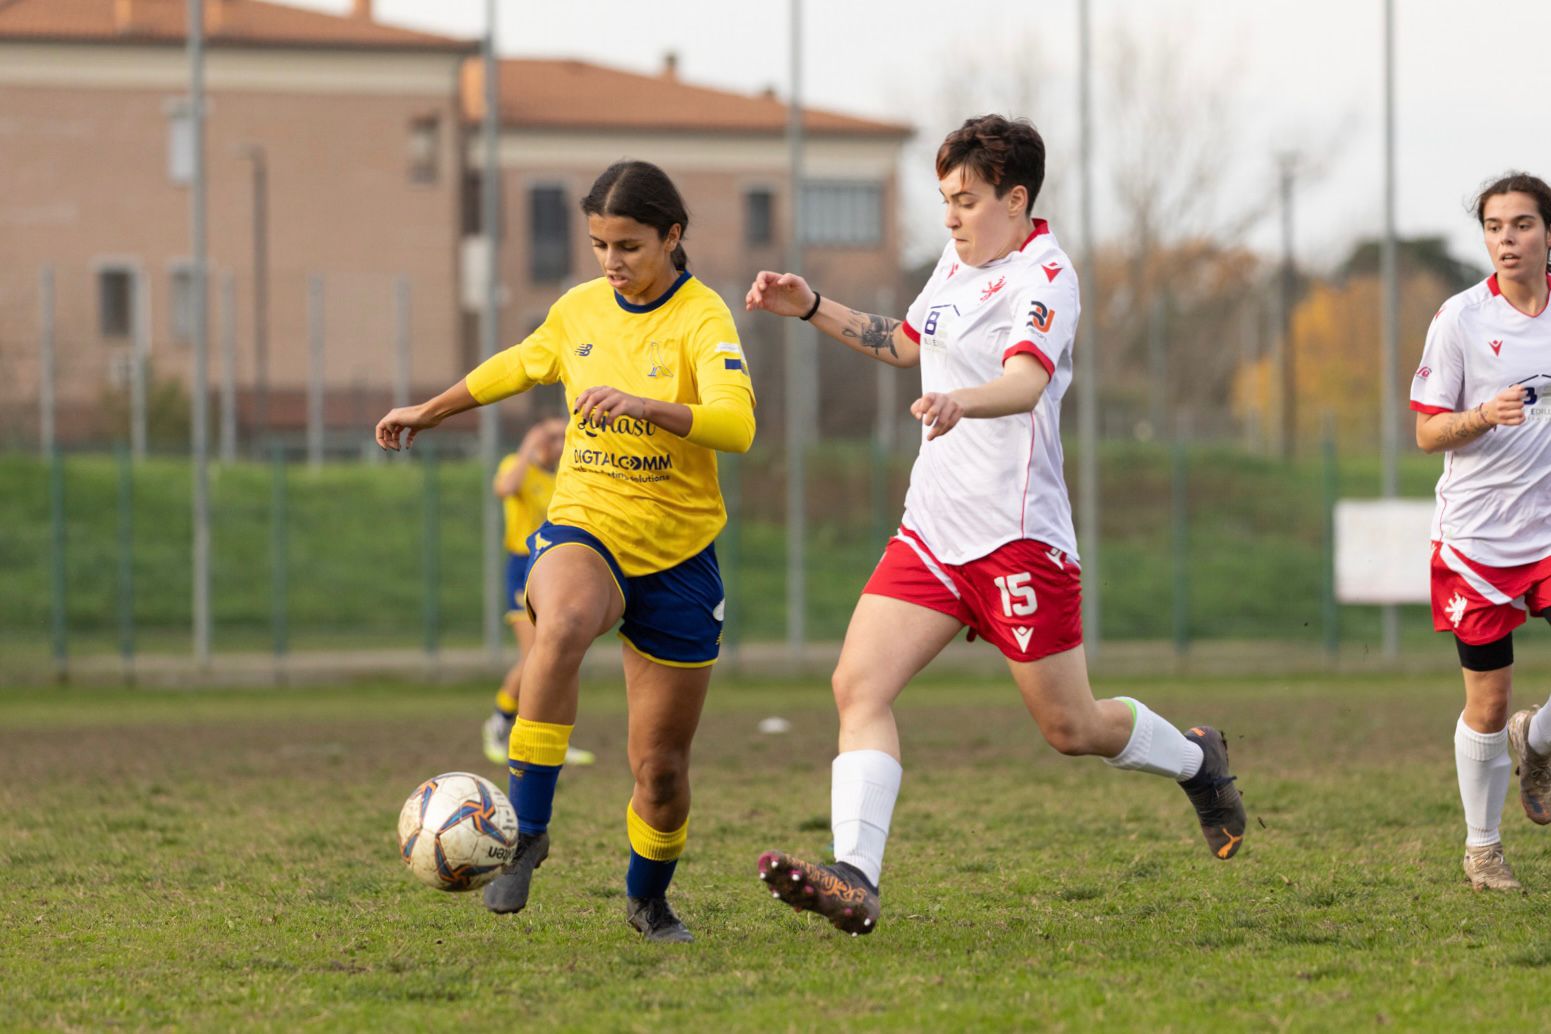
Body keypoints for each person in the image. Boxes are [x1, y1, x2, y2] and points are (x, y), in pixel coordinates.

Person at [744, 114, 1245, 936]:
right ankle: (854, 878)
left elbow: (1021, 383)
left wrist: (957, 401)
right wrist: (811, 308)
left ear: (1015, 200)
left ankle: (1199, 760)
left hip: (1017, 539)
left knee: (1070, 727)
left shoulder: (1046, 276)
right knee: (856, 686)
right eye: (944, 199)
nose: (950, 216)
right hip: (933, 532)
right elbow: (906, 343)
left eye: (966, 200)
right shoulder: (956, 260)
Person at [377, 159, 756, 941]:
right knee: (564, 619)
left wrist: (652, 406)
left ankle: (647, 900)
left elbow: (738, 425)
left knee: (660, 773)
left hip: (680, 555)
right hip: (586, 521)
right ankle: (528, 829)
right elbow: (517, 363)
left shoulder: (703, 318)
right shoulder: (580, 308)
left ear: (672, 236)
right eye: (598, 244)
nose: (611, 262)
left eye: (628, 245)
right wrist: (432, 409)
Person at [1410, 171, 1551, 892]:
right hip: (1475, 543)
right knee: (1488, 703)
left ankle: (1542, 737)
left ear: (1546, 234)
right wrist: (1479, 416)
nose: (1506, 239)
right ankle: (1481, 849)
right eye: (1494, 227)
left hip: (1548, 533)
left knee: (1519, 716)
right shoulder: (1460, 319)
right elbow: (1426, 432)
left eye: (1521, 224)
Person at [481, 416, 597, 769]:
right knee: (535, 654)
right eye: (549, 436)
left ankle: (554, 736)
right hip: (524, 566)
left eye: (563, 436)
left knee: (563, 652)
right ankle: (500, 722)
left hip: (561, 566)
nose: (557, 442)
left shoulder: (570, 476)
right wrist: (528, 446)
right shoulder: (518, 467)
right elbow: (504, 489)